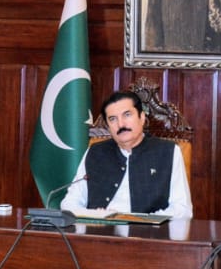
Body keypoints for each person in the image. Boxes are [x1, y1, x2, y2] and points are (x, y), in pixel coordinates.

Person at [59, 91, 193, 220]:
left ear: (142, 118)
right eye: (113, 119)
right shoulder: (95, 152)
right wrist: (95, 216)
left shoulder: (167, 152)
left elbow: (183, 210)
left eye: (127, 115)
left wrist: (141, 221)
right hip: (100, 233)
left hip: (148, 236)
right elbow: (69, 203)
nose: (121, 124)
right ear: (107, 126)